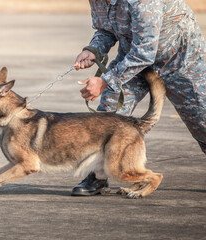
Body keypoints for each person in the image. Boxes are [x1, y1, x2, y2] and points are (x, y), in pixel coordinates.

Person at [71, 0, 206, 196]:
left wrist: (105, 81)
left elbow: (145, 52)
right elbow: (106, 31)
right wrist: (93, 50)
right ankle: (98, 175)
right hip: (133, 58)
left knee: (201, 121)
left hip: (180, 61)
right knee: (109, 111)